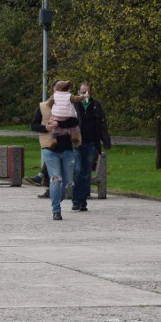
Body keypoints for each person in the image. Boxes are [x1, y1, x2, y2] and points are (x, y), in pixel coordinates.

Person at [31, 80, 79, 220]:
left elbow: (75, 122)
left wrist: (60, 124)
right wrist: (46, 128)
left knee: (67, 180)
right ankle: (56, 210)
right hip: (50, 148)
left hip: (67, 148)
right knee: (56, 179)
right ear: (54, 91)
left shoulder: (70, 106)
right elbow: (33, 125)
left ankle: (59, 196)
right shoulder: (43, 106)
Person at [71, 82, 112, 212]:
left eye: (86, 92)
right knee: (77, 170)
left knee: (86, 173)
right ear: (78, 92)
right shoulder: (74, 105)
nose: (84, 94)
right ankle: (76, 200)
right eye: (82, 92)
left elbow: (102, 124)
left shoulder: (96, 105)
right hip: (77, 143)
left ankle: (83, 201)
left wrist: (105, 141)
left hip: (90, 143)